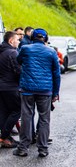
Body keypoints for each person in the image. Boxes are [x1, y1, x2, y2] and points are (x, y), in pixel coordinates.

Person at [14, 28, 61, 157]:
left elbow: (18, 61)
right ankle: (43, 149)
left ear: (32, 38)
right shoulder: (51, 52)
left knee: (26, 117)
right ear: (45, 39)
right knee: (44, 119)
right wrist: (55, 93)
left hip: (27, 90)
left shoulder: (25, 49)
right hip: (45, 91)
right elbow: (56, 74)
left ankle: (23, 148)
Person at [0, 31, 21, 148]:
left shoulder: (1, 51)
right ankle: (3, 136)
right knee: (17, 110)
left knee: (3, 112)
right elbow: (18, 71)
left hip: (1, 87)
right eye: (17, 39)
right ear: (11, 41)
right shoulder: (12, 53)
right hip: (10, 86)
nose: (19, 42)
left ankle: (6, 138)